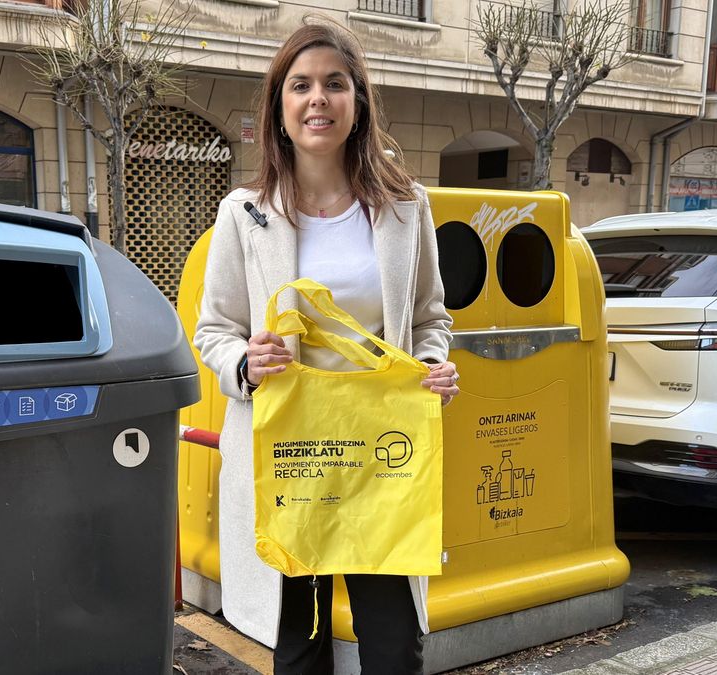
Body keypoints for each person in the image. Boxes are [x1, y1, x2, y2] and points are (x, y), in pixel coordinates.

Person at [192, 18, 459, 675]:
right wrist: (244, 365)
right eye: (301, 85)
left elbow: (431, 318)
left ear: (357, 102)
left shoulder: (405, 208)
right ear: (280, 108)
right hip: (291, 458)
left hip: (380, 462)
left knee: (395, 647)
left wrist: (428, 365)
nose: (319, 99)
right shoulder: (244, 214)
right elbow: (212, 331)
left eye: (335, 84)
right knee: (301, 649)